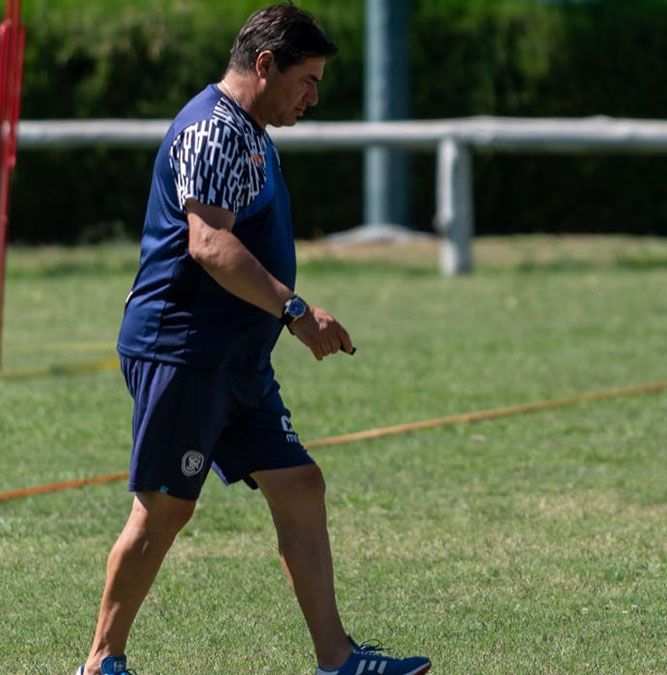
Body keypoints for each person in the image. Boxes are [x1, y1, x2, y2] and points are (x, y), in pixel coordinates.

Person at [78, 4, 430, 675]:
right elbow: (208, 242)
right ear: (265, 65)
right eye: (308, 79)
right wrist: (295, 310)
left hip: (234, 357)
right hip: (183, 350)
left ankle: (339, 659)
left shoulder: (251, 131)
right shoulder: (214, 130)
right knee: (163, 511)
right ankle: (101, 661)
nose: (313, 96)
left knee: (299, 483)